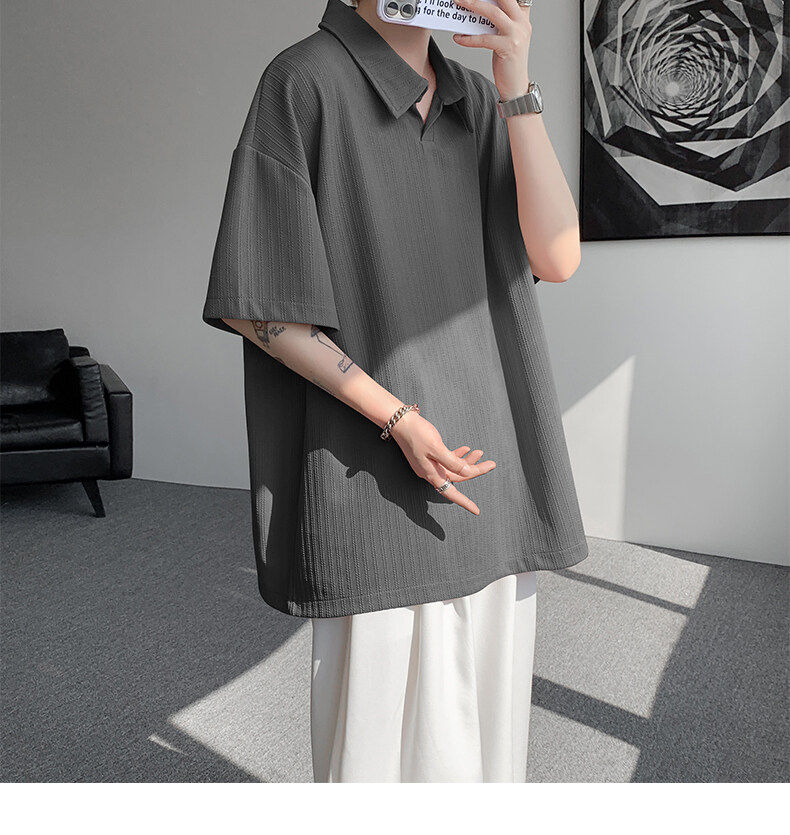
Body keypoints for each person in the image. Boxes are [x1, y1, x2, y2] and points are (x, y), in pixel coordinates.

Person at [202, 0, 587, 782]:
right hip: (373, 471)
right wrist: (399, 418)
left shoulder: (476, 97)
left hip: (492, 465)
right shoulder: (303, 81)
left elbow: (558, 256)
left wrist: (514, 78)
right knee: (380, 754)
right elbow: (260, 307)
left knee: (490, 750)